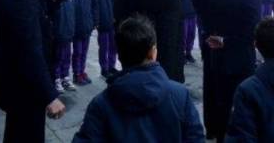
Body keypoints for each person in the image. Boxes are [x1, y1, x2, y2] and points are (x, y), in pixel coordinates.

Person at [72, 15, 204, 143]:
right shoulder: (180, 95)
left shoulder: (101, 104)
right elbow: (195, 137)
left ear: (119, 55)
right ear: (153, 53)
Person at [0, 0, 65, 143]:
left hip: (18, 84)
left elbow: (37, 20)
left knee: (18, 133)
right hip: (25, 88)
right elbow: (29, 48)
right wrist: (49, 95)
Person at [192, 0, 261, 142]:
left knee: (222, 105)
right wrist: (228, 41)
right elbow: (253, 32)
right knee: (241, 108)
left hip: (218, 59)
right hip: (241, 61)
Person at [92, 0, 118, 77]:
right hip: (103, 23)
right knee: (104, 47)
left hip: (113, 22)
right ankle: (104, 68)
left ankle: (111, 66)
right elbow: (95, 5)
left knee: (113, 46)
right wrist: (96, 21)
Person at [52, 0, 76, 93]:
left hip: (68, 33)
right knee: (58, 58)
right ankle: (56, 79)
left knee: (67, 57)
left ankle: (65, 77)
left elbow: (72, 16)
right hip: (59, 34)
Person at [72, 0, 94, 85]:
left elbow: (91, 8)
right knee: (78, 52)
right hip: (77, 29)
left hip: (87, 27)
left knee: (84, 52)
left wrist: (91, 23)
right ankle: (76, 74)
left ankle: (82, 71)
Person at [181, 0, 197, 64]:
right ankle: (182, 54)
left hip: (192, 13)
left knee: (191, 35)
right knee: (184, 36)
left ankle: (188, 53)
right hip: (183, 14)